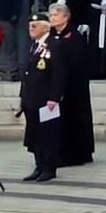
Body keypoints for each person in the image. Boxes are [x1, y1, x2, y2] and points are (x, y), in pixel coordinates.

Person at [21, 12, 66, 183]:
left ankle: (49, 168)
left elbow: (59, 73)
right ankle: (39, 165)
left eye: (34, 26)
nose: (30, 29)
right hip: (30, 97)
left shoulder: (54, 45)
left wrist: (54, 97)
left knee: (47, 134)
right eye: (29, 26)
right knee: (34, 134)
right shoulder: (33, 45)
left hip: (46, 98)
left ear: (45, 27)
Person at [48, 3, 94, 166]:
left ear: (66, 17)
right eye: (51, 15)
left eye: (55, 15)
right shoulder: (50, 35)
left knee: (74, 117)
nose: (52, 18)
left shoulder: (74, 36)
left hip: (74, 85)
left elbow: (79, 62)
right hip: (55, 84)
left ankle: (76, 153)